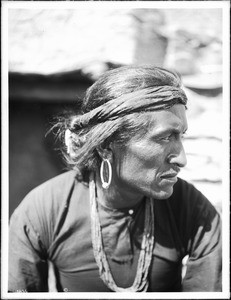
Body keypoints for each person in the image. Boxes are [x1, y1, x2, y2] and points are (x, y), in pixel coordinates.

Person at [8, 65, 221, 293]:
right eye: (164, 137)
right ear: (106, 146)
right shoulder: (44, 210)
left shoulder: (193, 210)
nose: (182, 159)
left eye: (180, 136)